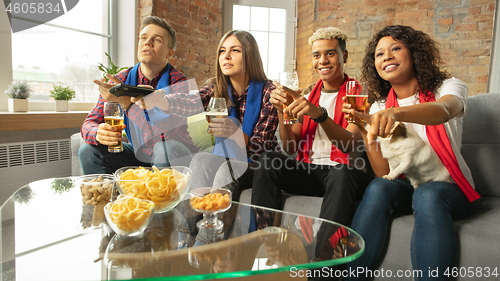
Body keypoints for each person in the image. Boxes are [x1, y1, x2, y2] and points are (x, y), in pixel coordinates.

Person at [343, 25, 481, 281]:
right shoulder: (379, 106)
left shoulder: (448, 87)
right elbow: (385, 173)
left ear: (415, 53)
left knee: (428, 193)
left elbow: (443, 110)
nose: (386, 56)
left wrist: (398, 114)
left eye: (395, 48)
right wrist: (367, 131)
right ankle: (352, 277)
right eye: (379, 54)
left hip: (449, 187)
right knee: (378, 187)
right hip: (408, 185)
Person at [250, 27, 371, 261]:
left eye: (330, 54)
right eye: (316, 55)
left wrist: (320, 115)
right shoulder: (306, 95)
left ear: (344, 56)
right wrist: (281, 112)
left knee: (343, 172)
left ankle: (323, 266)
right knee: (267, 160)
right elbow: (291, 148)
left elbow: (350, 146)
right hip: (311, 171)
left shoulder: (358, 94)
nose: (322, 61)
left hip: (343, 173)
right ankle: (265, 244)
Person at [79, 16, 196, 174]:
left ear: (170, 52)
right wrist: (98, 133)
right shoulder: (121, 79)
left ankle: (162, 197)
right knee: (88, 151)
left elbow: (161, 134)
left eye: (157, 39)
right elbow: (89, 123)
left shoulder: (178, 82)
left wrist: (127, 104)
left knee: (163, 148)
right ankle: (110, 197)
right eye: (144, 38)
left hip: (175, 153)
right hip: (138, 153)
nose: (148, 42)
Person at [187, 30, 280, 199]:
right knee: (201, 159)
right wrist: (159, 100)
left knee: (227, 170)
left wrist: (236, 134)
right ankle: (188, 224)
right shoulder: (217, 88)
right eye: (222, 51)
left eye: (235, 50)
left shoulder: (269, 92)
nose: (226, 56)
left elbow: (262, 149)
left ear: (250, 56)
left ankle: (215, 223)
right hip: (226, 158)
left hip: (260, 165)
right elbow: (188, 102)